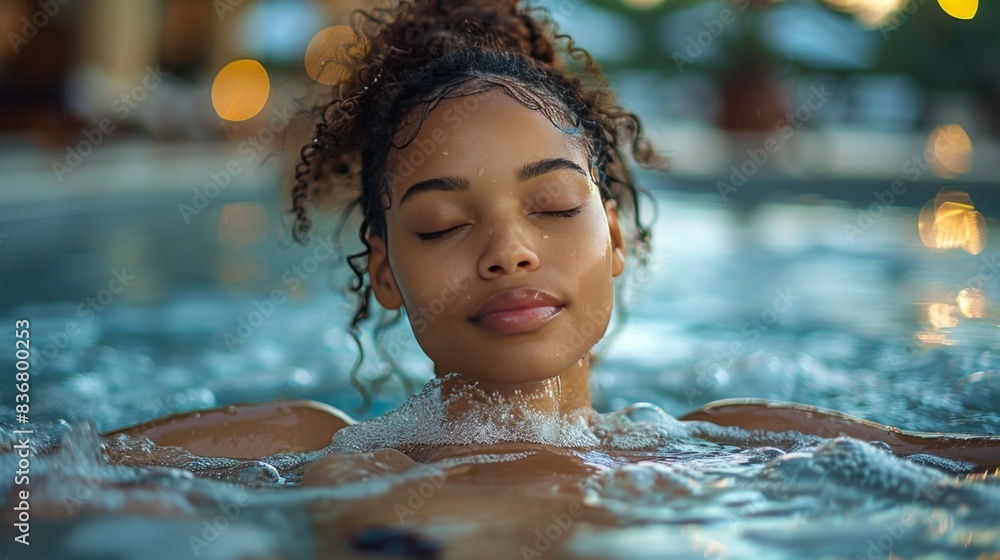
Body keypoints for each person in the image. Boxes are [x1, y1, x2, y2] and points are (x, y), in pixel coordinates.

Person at [107, 0, 999, 475]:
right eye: (443, 224)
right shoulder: (312, 442)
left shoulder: (733, 440)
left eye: (557, 208)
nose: (510, 251)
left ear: (616, 235)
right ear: (384, 269)